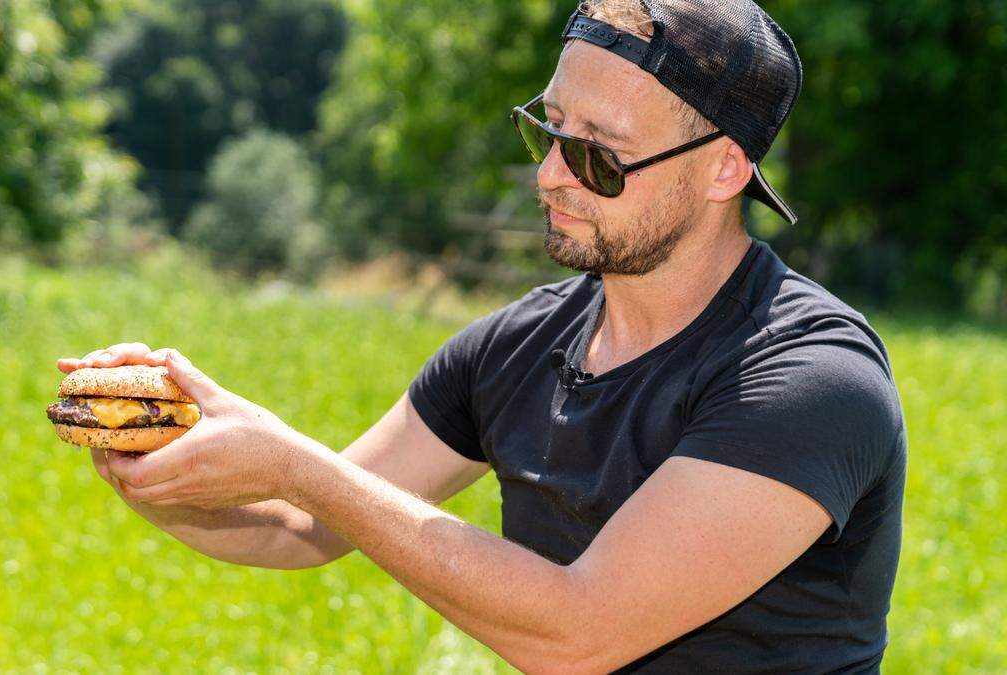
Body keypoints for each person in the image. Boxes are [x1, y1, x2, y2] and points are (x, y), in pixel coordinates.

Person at [57, 1, 907, 671]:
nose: (549, 176)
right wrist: (167, 464)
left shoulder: (811, 378)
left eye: (599, 156)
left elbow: (581, 633)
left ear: (726, 167)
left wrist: (295, 461)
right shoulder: (516, 347)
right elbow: (296, 524)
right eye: (547, 129)